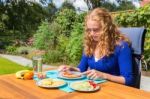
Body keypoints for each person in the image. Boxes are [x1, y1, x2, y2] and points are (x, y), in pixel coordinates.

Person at [58, 8, 134, 86]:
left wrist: (104, 75)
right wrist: (70, 68)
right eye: (89, 30)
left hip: (114, 91)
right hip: (93, 88)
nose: (91, 34)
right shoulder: (90, 45)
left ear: (107, 28)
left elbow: (128, 79)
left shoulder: (121, 47)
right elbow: (81, 69)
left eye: (96, 30)